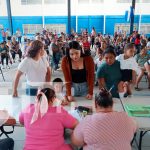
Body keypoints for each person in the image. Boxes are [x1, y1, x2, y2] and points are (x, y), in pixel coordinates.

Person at [71, 88, 137, 150]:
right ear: (112, 103)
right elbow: (135, 127)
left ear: (95, 104)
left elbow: (76, 142)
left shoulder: (87, 121)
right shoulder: (126, 118)